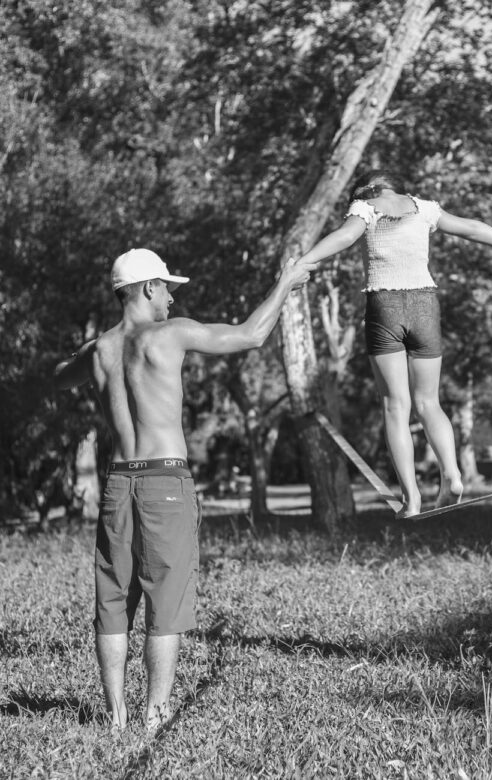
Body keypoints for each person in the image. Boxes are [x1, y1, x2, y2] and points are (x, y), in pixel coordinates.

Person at [53, 248, 315, 731]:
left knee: (113, 600)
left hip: (118, 483)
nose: (172, 297)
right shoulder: (169, 334)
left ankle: (115, 716)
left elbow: (57, 379)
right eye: (168, 287)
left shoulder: (101, 350)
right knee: (165, 599)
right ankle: (156, 714)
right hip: (163, 481)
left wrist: (84, 354)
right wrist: (286, 283)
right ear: (149, 287)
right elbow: (252, 335)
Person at [295, 169, 492, 518]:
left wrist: (303, 262)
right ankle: (452, 473)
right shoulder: (424, 208)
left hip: (384, 305)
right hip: (424, 306)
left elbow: (343, 237)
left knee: (395, 406)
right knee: (428, 401)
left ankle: (412, 498)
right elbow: (473, 227)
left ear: (366, 190)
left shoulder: (364, 209)